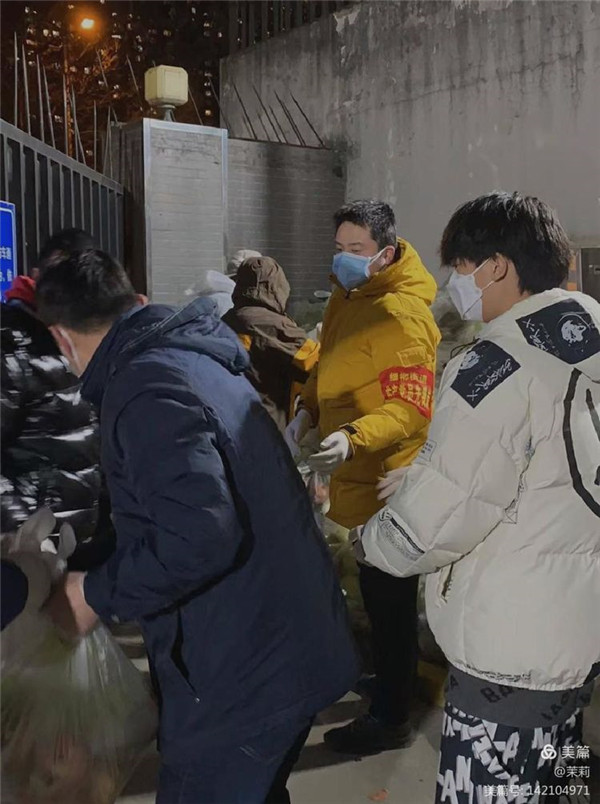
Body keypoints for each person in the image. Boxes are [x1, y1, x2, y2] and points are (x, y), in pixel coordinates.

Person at [36, 249, 359, 804]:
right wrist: (93, 561)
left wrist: (94, 594)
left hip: (243, 675)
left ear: (62, 338)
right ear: (136, 302)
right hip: (281, 644)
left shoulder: (145, 387)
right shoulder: (188, 359)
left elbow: (200, 535)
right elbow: (173, 508)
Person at [355, 192, 600, 802]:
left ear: (496, 267)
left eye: (461, 267)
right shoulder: (586, 342)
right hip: (578, 639)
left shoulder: (497, 363)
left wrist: (368, 541)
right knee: (559, 781)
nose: (455, 283)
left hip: (511, 653)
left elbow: (438, 520)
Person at [286, 200, 441, 755]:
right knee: (376, 598)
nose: (345, 259)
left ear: (387, 253)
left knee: (390, 601)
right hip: (354, 474)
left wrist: (352, 438)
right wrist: (305, 409)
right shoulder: (345, 299)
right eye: (340, 248)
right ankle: (391, 685)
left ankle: (392, 717)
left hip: (385, 480)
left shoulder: (401, 315)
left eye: (357, 250)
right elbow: (327, 365)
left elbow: (410, 408)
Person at [0, 229, 114, 572]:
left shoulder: (90, 335)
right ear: (36, 276)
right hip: (31, 558)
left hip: (84, 543)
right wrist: (27, 538)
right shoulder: (10, 342)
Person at [223, 256, 320, 432]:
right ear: (277, 287)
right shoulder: (273, 326)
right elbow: (317, 363)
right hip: (266, 424)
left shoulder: (226, 319)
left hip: (228, 420)